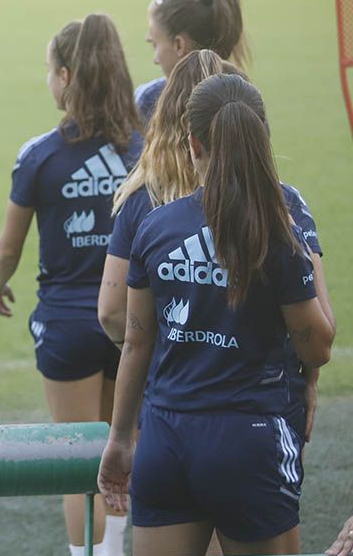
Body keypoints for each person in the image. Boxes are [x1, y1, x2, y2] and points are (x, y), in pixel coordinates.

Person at [96, 74, 334, 556]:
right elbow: (319, 346)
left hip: (166, 439)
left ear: (193, 145)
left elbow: (135, 345)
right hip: (250, 441)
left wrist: (122, 439)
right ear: (261, 139)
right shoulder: (278, 231)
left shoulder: (157, 225)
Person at [100, 51, 334, 442]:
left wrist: (170, 353)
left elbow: (111, 314)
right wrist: (309, 383)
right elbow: (318, 335)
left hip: (172, 410)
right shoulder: (283, 208)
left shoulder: (147, 206)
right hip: (265, 413)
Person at [0, 13, 141, 556]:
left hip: (68, 323)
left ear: (67, 76)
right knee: (126, 450)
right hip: (133, 324)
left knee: (79, 462)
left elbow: (9, 246)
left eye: (50, 71)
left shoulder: (40, 155)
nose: (48, 81)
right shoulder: (146, 149)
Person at [135, 0, 246, 122]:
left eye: (155, 45)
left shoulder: (150, 100)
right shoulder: (247, 100)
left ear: (180, 45)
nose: (155, 59)